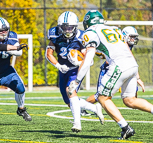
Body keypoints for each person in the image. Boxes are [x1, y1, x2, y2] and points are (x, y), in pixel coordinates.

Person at [68, 10, 153, 139]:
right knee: (130, 100)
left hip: (118, 66)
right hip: (132, 64)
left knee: (102, 98)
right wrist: (137, 75)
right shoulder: (114, 29)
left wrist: (77, 81)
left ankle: (125, 128)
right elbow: (127, 51)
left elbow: (89, 56)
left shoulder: (90, 32)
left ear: (87, 23)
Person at [45, 11, 104, 133]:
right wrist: (58, 65)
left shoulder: (81, 36)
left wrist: (81, 61)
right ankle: (94, 108)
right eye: (64, 27)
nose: (67, 30)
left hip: (75, 70)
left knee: (70, 91)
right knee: (69, 101)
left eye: (70, 27)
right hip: (63, 69)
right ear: (60, 27)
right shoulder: (54, 34)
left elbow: (85, 55)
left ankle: (77, 123)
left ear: (76, 27)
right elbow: (49, 54)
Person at [84, 26, 145, 104]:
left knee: (133, 90)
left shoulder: (128, 45)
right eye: (131, 37)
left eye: (134, 37)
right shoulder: (118, 44)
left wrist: (137, 78)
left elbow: (132, 61)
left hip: (121, 70)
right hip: (108, 70)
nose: (133, 39)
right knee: (99, 96)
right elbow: (108, 61)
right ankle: (83, 106)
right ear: (125, 36)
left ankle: (134, 104)